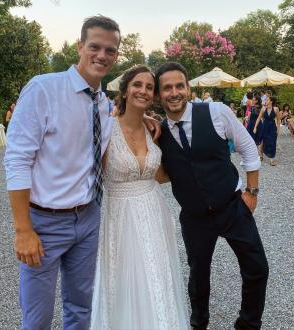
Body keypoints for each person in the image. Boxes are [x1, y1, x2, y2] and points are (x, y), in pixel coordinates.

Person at [4, 16, 159, 330]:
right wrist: (23, 230)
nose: (102, 55)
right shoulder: (44, 89)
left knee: (80, 309)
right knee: (37, 317)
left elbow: (116, 135)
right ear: (80, 46)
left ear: (116, 56)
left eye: (110, 50)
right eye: (95, 47)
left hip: (88, 218)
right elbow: (17, 160)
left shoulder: (103, 104)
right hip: (45, 221)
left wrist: (145, 121)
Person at [156, 62, 269, 330]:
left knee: (257, 268)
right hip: (195, 217)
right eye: (167, 88)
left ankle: (248, 324)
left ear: (188, 88)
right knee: (198, 277)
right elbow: (161, 174)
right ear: (158, 95)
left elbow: (249, 150)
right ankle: (199, 323)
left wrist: (252, 192)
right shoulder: (158, 132)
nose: (174, 93)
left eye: (179, 86)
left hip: (232, 207)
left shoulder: (216, 112)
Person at [90, 65, 188, 329]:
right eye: (137, 84)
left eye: (149, 87)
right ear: (125, 89)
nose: (143, 91)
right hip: (118, 214)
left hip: (154, 211)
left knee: (157, 276)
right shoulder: (106, 128)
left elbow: (161, 175)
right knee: (123, 280)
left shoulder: (154, 131)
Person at [254, 96, 280, 166]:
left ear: (271, 101)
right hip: (264, 127)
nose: (265, 101)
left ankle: (271, 159)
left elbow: (278, 120)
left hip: (272, 127)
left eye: (267, 100)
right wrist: (255, 127)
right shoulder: (263, 108)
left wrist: (278, 129)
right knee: (263, 142)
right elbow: (259, 118)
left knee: (272, 142)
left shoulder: (276, 109)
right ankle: (261, 155)